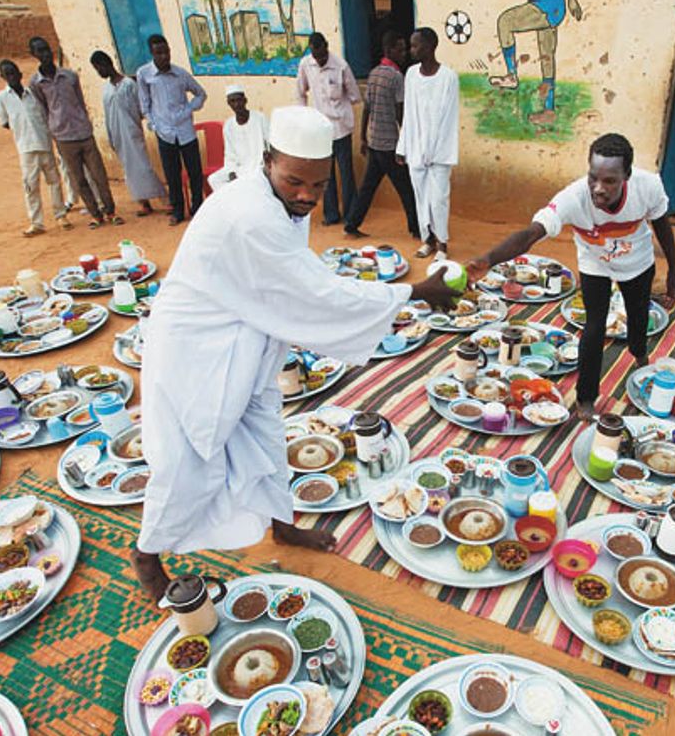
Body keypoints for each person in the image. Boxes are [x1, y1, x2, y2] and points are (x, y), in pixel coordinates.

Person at [132, 106, 459, 600]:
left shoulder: (281, 203)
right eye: (294, 182)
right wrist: (413, 293)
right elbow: (316, 295)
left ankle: (282, 524)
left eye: (319, 185)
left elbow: (291, 285)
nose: (306, 195)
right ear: (268, 162)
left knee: (265, 439)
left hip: (249, 344)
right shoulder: (249, 214)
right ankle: (148, 556)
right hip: (197, 354)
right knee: (187, 462)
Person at [467, 133, 675, 421]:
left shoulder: (649, 186)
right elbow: (531, 234)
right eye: (594, 177)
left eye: (610, 181)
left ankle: (639, 353)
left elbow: (663, 228)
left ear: (626, 176)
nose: (598, 188)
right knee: (593, 328)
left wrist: (673, 275)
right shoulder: (573, 198)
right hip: (595, 265)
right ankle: (586, 397)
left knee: (638, 318)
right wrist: (489, 259)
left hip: (638, 264)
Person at [28, 35, 121, 228]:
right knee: (79, 180)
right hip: (63, 137)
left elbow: (80, 102)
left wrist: (84, 122)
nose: (45, 54)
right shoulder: (36, 83)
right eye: (40, 51)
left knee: (99, 175)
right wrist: (55, 130)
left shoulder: (70, 76)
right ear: (34, 54)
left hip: (83, 133)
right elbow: (44, 109)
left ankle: (110, 211)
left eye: (47, 49)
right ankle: (96, 215)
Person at [343, 30, 419, 241]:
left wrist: (363, 137)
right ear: (390, 50)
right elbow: (400, 112)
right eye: (401, 49)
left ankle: (351, 224)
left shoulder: (374, 73)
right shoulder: (396, 77)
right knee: (406, 189)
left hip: (375, 141)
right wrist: (407, 141)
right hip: (390, 145)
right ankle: (416, 229)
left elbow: (367, 108)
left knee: (368, 188)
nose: (404, 53)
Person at [397, 27, 459, 260]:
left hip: (439, 152)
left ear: (431, 46)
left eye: (415, 45)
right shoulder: (411, 74)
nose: (411, 50)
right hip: (415, 149)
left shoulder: (448, 77)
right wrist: (403, 147)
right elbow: (409, 115)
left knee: (439, 199)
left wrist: (431, 150)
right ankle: (428, 240)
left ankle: (443, 244)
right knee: (421, 197)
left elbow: (447, 117)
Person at [487, 0, 583, 125]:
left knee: (505, 22)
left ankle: (512, 76)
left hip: (547, 4)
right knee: (547, 57)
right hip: (547, 2)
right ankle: (549, 110)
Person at [0, 59, 70, 237]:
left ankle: (60, 215)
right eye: (7, 74)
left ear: (20, 74)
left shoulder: (34, 93)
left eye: (14, 73)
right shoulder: (2, 98)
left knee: (54, 181)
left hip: (44, 143)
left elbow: (45, 114)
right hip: (25, 147)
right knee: (30, 186)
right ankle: (36, 222)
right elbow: (5, 122)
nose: (12, 77)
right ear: (2, 77)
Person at [137, 35, 206, 226]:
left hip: (185, 131)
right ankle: (177, 210)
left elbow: (201, 94)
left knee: (194, 172)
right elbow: (145, 104)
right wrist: (153, 124)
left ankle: (197, 207)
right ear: (152, 54)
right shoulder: (144, 75)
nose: (164, 56)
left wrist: (190, 109)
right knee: (172, 174)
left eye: (166, 51)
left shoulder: (181, 74)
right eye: (159, 53)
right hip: (165, 133)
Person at [90, 50, 166, 218]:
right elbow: (108, 115)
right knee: (130, 172)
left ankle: (164, 199)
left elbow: (140, 109)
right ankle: (144, 203)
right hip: (117, 135)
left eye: (99, 68)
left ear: (107, 64)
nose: (99, 72)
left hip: (132, 131)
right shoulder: (107, 90)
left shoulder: (129, 85)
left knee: (144, 167)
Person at [295, 32, 359, 226]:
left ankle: (351, 215)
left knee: (346, 173)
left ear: (327, 47)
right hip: (320, 129)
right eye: (316, 56)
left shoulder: (341, 66)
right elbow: (300, 92)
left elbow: (355, 95)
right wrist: (304, 118)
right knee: (325, 174)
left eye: (322, 55)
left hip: (341, 127)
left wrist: (339, 106)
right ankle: (331, 214)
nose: (320, 60)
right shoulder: (306, 64)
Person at [207, 83, 269, 192]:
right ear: (228, 103)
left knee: (252, 182)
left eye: (239, 100)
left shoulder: (260, 118)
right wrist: (231, 172)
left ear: (245, 100)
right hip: (239, 167)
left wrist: (267, 161)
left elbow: (269, 143)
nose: (236, 104)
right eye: (232, 101)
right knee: (214, 179)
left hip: (259, 166)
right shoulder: (228, 125)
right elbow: (229, 154)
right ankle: (234, 204)